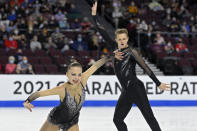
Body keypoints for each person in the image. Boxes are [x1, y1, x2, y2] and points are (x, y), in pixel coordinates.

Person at [91, 2, 171, 131]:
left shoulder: (132, 52)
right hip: (126, 91)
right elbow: (101, 29)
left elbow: (146, 68)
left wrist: (158, 83)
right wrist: (94, 15)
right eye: (119, 39)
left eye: (124, 39)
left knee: (149, 117)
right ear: (116, 40)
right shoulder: (113, 49)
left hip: (136, 88)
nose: (122, 41)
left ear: (127, 39)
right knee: (117, 119)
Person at [23, 56, 112, 131]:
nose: (76, 78)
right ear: (67, 75)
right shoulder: (61, 89)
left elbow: (96, 65)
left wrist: (110, 56)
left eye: (79, 74)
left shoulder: (83, 80)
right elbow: (40, 93)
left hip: (72, 120)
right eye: (73, 74)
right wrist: (27, 101)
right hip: (57, 119)